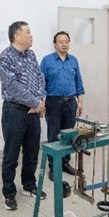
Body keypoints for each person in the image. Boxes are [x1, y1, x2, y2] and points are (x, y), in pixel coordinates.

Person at [0, 21, 47, 211]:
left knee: (32, 151)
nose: (31, 35)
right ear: (17, 36)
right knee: (11, 155)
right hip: (15, 112)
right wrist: (35, 103)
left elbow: (40, 77)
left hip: (33, 112)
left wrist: (39, 101)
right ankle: (9, 193)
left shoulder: (31, 55)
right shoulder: (6, 57)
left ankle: (29, 185)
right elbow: (12, 87)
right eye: (28, 32)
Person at [40, 31, 85, 181]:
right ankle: (53, 166)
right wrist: (40, 102)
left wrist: (80, 102)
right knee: (54, 135)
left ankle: (65, 163)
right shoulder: (47, 61)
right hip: (53, 102)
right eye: (61, 42)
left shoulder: (73, 60)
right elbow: (40, 83)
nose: (64, 44)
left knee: (69, 135)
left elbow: (78, 82)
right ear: (55, 44)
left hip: (71, 102)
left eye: (66, 41)